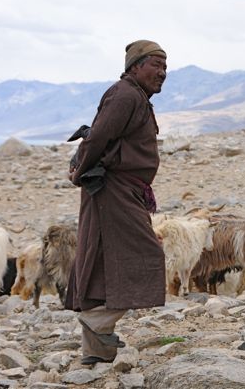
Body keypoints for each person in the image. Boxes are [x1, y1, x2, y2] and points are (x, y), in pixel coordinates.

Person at [64, 40, 167, 365]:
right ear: (135, 66)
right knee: (146, 255)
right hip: (114, 191)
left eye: (165, 67)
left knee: (101, 261)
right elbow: (99, 136)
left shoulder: (134, 97)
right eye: (155, 64)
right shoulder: (124, 95)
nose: (162, 73)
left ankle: (95, 350)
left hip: (120, 190)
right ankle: (97, 323)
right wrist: (80, 172)